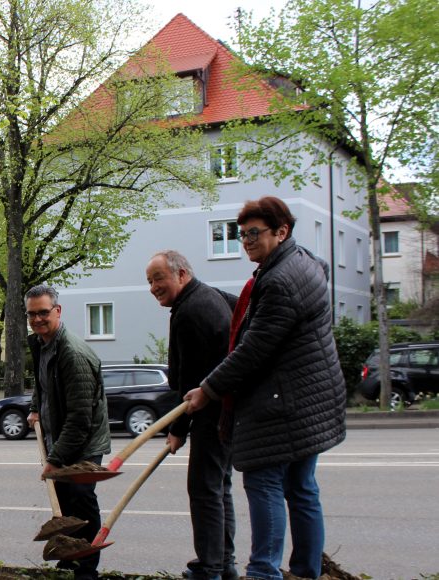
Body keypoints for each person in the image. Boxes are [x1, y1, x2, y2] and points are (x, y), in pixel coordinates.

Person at [185, 197, 346, 580]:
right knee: (301, 486)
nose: (245, 242)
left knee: (263, 481)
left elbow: (253, 349)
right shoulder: (303, 262)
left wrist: (207, 388)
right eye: (241, 235)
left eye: (254, 234)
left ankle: (263, 573)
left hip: (285, 402)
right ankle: (306, 571)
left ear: (281, 231)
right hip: (313, 396)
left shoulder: (280, 281)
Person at [145, 250, 237, 580]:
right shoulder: (211, 296)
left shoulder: (189, 311)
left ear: (182, 274)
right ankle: (224, 562)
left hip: (212, 412)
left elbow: (186, 380)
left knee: (203, 490)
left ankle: (211, 567)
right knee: (218, 487)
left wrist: (178, 429)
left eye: (159, 278)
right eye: (150, 281)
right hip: (226, 408)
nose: (154, 287)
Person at [24, 284, 111, 580]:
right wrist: (36, 407)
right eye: (32, 314)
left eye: (43, 313)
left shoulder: (72, 354)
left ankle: (87, 569)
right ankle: (70, 557)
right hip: (58, 434)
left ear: (57, 311)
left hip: (82, 441)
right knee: (62, 500)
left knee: (80, 498)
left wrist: (57, 459)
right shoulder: (40, 343)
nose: (37, 319)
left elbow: (80, 418)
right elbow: (41, 383)